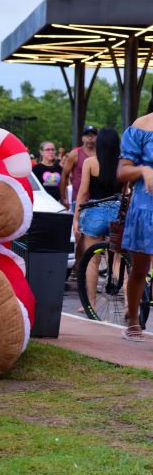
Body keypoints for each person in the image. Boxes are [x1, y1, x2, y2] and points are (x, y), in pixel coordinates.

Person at [73, 128, 123, 313]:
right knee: (117, 260)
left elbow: (83, 191)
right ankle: (130, 305)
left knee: (92, 260)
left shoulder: (90, 162)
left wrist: (76, 217)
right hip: (117, 213)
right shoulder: (123, 164)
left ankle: (90, 304)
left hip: (95, 212)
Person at [118, 112, 153, 342]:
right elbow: (122, 172)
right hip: (145, 207)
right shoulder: (142, 125)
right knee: (140, 269)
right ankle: (132, 319)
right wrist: (143, 170)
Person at [60, 125, 98, 210]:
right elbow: (64, 175)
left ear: (97, 137)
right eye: (87, 135)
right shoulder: (75, 154)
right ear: (82, 138)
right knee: (77, 223)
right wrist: (63, 198)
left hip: (97, 200)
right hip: (79, 200)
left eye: (93, 135)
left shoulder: (101, 154)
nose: (90, 137)